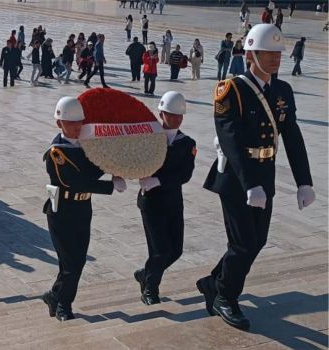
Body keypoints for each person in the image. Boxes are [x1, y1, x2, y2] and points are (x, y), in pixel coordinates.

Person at [200, 24, 315, 331]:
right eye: (268, 53)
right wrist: (250, 184)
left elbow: (291, 134)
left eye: (278, 53)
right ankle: (225, 296)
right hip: (237, 178)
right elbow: (230, 140)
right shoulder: (231, 90)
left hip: (265, 173)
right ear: (251, 54)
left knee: (258, 240)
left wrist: (305, 181)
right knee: (243, 242)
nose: (276, 59)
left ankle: (213, 281)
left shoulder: (282, 90)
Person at [42, 97, 126, 321]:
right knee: (73, 263)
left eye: (80, 121)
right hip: (61, 211)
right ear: (59, 123)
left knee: (74, 261)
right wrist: (110, 185)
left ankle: (54, 295)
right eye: (71, 122)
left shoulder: (87, 147)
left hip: (82, 208)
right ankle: (63, 305)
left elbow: (94, 170)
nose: (77, 126)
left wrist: (115, 165)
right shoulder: (56, 153)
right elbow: (73, 181)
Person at [134, 91, 196, 305]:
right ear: (161, 114)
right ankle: (150, 290)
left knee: (175, 250)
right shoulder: (148, 139)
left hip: (172, 201)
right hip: (151, 203)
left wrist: (159, 181)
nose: (176, 119)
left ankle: (146, 274)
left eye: (179, 115)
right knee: (160, 250)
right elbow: (134, 159)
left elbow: (185, 174)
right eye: (171, 114)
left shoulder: (187, 143)